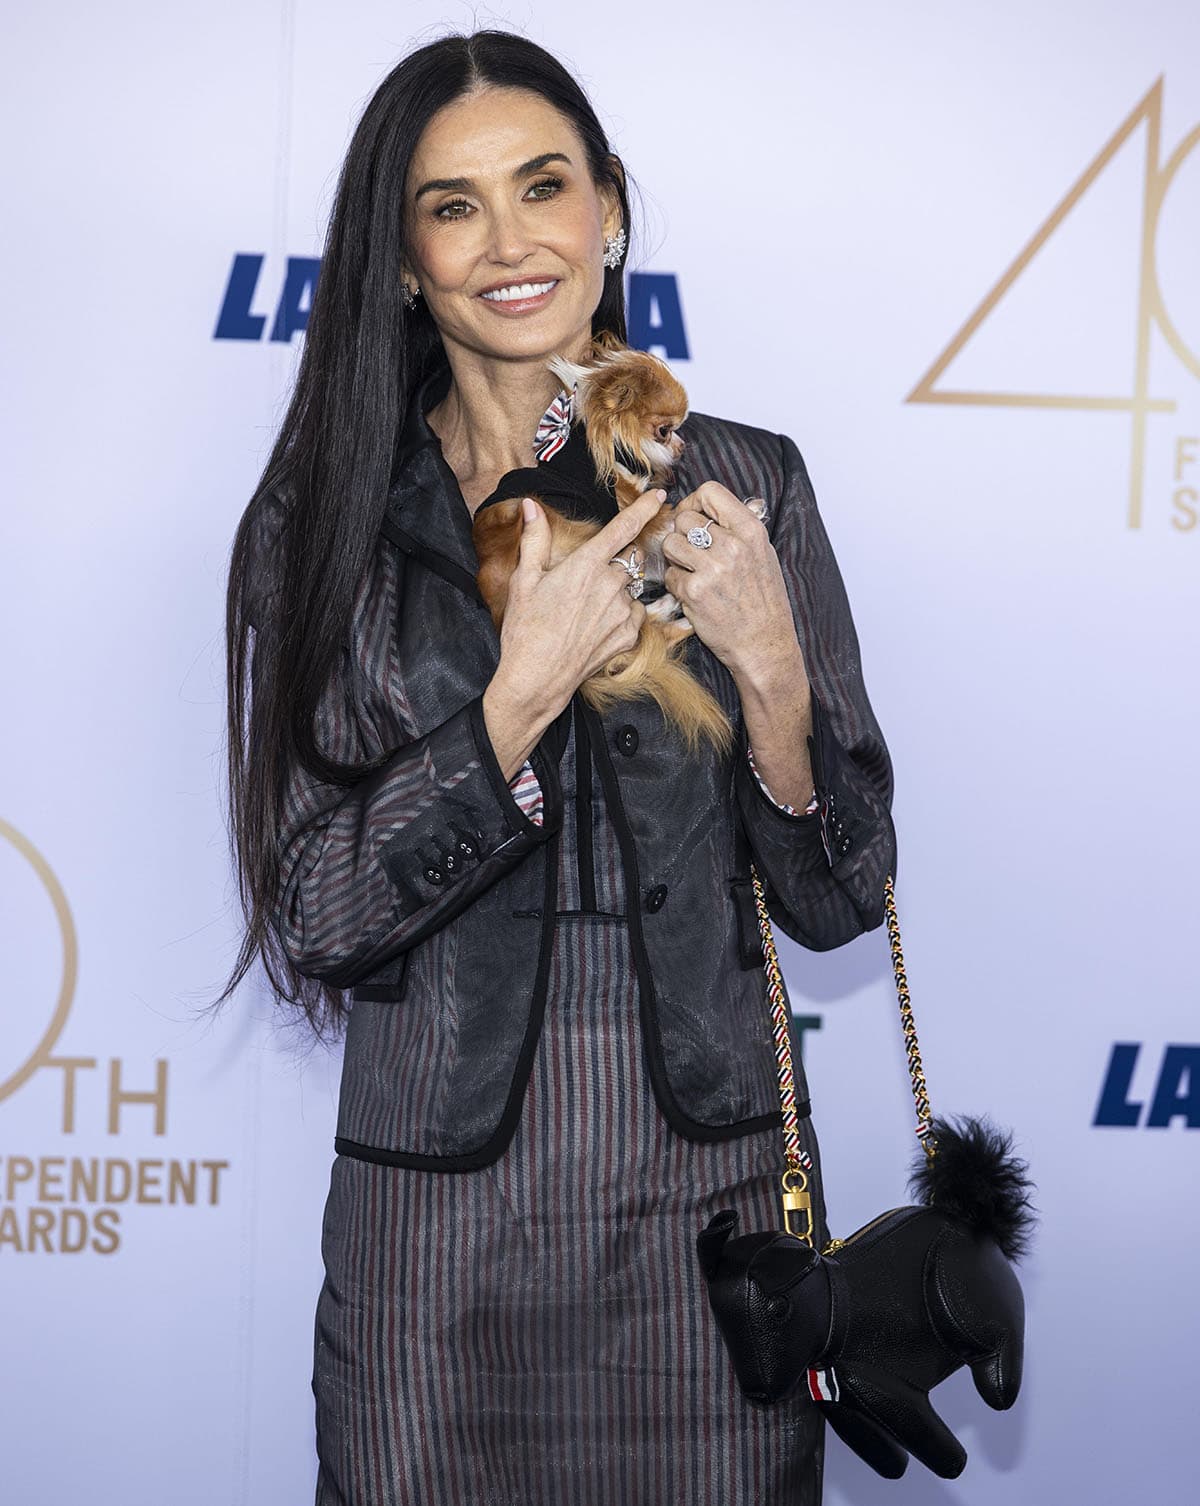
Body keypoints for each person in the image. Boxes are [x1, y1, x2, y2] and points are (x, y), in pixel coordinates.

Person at [221, 28, 896, 1506]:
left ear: (610, 215)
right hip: (434, 1248)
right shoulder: (321, 523)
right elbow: (315, 910)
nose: (512, 241)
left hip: (706, 1236)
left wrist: (773, 671)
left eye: (548, 187)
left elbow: (842, 897)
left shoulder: (744, 481)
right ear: (402, 259)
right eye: (454, 205)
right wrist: (508, 709)